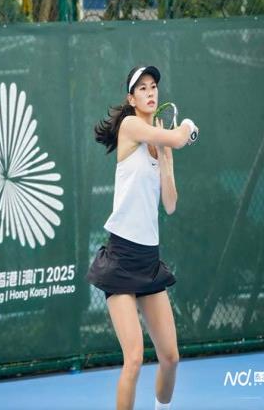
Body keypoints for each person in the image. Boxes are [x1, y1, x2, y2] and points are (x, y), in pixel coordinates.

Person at [86, 66, 199, 410]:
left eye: (154, 87)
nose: (150, 93)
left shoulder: (159, 141)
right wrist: (187, 127)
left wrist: (166, 160)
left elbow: (170, 204)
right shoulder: (130, 126)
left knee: (171, 358)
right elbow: (179, 137)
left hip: (149, 261)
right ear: (131, 99)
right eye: (143, 88)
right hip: (121, 259)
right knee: (134, 358)